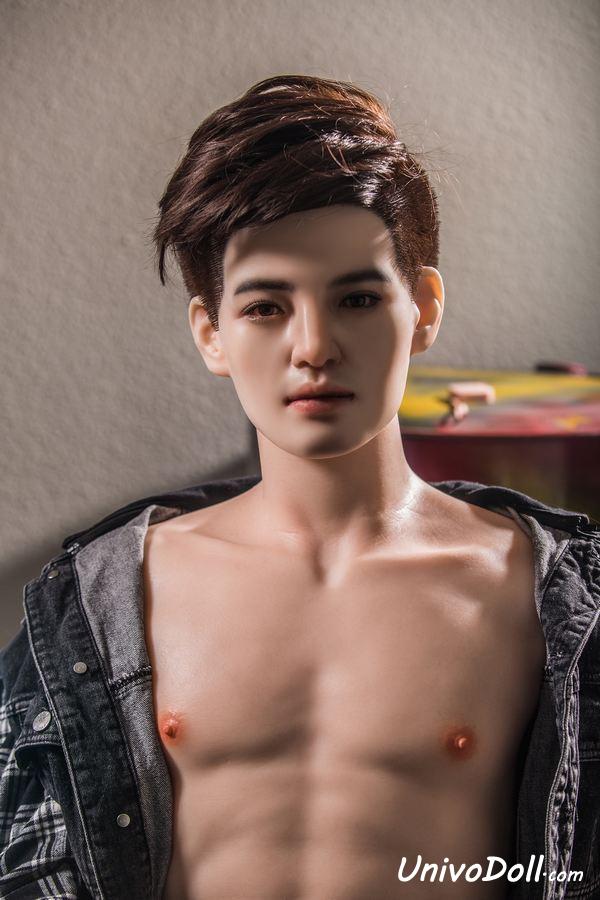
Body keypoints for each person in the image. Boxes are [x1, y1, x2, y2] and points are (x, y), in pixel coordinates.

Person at [0, 74, 598, 900]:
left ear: (423, 308)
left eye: (357, 297)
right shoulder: (99, 602)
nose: (313, 347)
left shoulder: (545, 594)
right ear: (211, 334)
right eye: (265, 308)